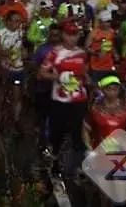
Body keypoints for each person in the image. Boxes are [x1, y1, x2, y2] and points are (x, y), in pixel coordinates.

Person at [40, 20, 90, 173]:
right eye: (69, 35)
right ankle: (54, 159)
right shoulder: (55, 52)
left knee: (78, 132)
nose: (72, 38)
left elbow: (85, 72)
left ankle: (78, 167)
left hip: (79, 99)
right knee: (58, 131)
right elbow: (42, 73)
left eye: (75, 35)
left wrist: (88, 81)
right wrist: (58, 77)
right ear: (63, 35)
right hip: (60, 100)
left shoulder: (82, 53)